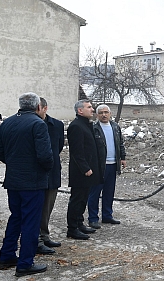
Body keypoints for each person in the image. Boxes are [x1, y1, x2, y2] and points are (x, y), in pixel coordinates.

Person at [0, 92, 53, 277]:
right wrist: (46, 168)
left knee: (16, 217)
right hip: (33, 182)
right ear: (37, 107)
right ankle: (25, 263)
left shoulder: (8, 123)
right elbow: (45, 156)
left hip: (13, 180)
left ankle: (7, 256)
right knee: (30, 222)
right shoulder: (38, 124)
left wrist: (14, 162)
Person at [66, 100, 101, 240]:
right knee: (77, 199)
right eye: (89, 107)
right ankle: (72, 228)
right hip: (80, 171)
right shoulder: (76, 126)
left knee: (83, 199)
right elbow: (76, 151)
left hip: (89, 170)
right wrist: (85, 168)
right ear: (80, 110)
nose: (92, 110)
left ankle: (79, 223)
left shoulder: (86, 125)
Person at [88, 104, 127, 228]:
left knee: (109, 192)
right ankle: (93, 218)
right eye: (101, 113)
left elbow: (120, 143)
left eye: (106, 112)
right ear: (97, 115)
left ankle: (107, 215)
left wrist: (123, 157)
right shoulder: (94, 128)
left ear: (110, 114)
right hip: (99, 166)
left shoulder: (115, 127)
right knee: (94, 192)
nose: (104, 115)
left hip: (113, 164)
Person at [36, 97, 65, 254]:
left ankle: (44, 235)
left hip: (52, 171)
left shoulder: (56, 125)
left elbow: (58, 147)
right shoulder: (29, 124)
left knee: (48, 206)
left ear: (44, 108)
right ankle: (36, 238)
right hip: (34, 173)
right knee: (35, 207)